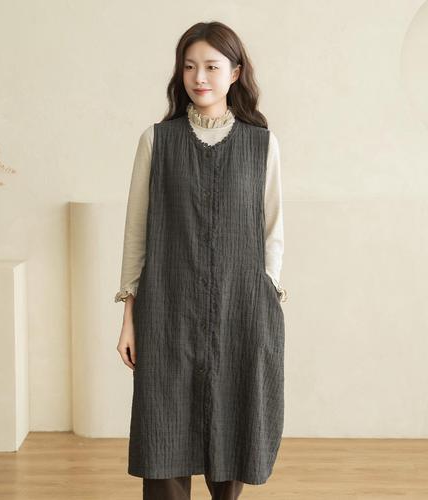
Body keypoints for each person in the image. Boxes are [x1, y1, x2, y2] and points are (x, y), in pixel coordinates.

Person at [115, 20, 288, 500]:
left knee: (234, 426)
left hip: (242, 309)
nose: (199, 77)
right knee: (163, 430)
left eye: (212, 66)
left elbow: (273, 232)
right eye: (190, 66)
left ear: (235, 73)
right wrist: (129, 316)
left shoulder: (262, 144)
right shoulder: (157, 141)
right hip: (167, 311)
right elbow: (136, 233)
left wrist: (266, 300)